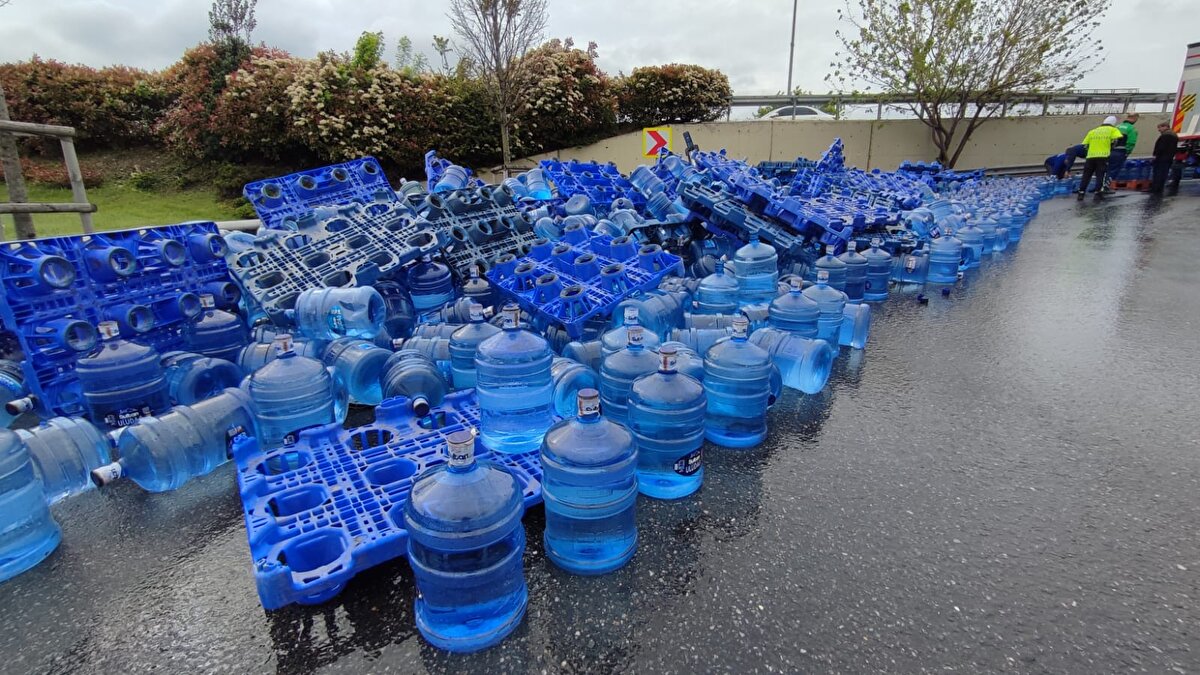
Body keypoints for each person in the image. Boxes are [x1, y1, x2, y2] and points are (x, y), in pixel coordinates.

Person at [1077, 116, 1124, 199]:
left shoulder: (1093, 131)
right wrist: (1111, 146)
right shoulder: (1113, 130)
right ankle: (1098, 193)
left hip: (1090, 156)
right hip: (1103, 156)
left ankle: (1081, 192)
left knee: (1086, 175)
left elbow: (1085, 144)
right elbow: (1119, 139)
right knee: (1101, 176)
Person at [1106, 113, 1140, 188]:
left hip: (1111, 150)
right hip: (1121, 151)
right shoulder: (1131, 129)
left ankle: (1102, 186)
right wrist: (1127, 152)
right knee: (1114, 170)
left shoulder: (1117, 127)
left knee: (1108, 169)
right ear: (1135, 118)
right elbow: (1131, 142)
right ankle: (1106, 187)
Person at [1149, 121, 1179, 195]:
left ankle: (1155, 188)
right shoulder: (1174, 135)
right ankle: (1160, 188)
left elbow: (1161, 147)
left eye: (1160, 128)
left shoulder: (1165, 135)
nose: (1159, 130)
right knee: (1164, 173)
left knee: (1158, 173)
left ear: (1165, 127)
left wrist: (1155, 155)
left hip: (1161, 158)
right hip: (1169, 158)